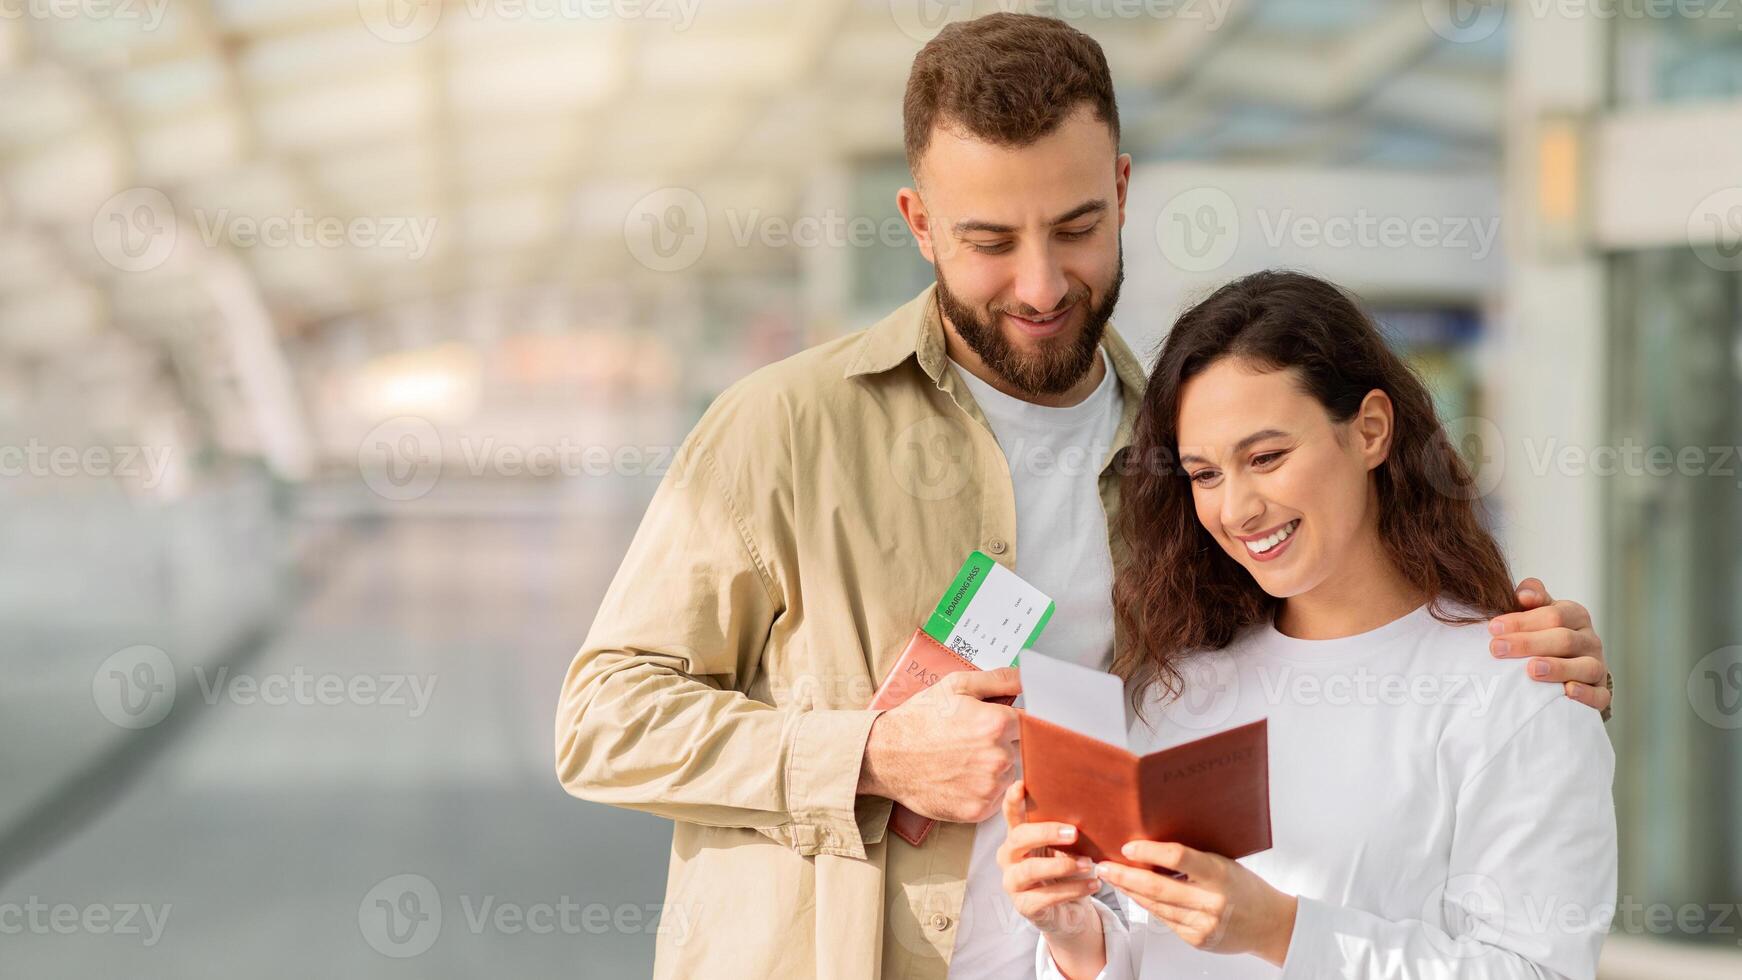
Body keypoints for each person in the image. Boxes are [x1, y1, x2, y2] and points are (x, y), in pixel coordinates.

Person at [554, 15, 1613, 980]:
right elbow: (600, 720)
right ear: (918, 223)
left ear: (1120, 189)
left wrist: (1495, 667)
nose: (1040, 284)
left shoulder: (1178, 451)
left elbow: (1330, 657)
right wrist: (872, 753)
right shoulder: (781, 430)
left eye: (1073, 226)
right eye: (988, 241)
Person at [999, 270, 1618, 979]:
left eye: (1266, 458)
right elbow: (1155, 955)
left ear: (1371, 432)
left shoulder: (1517, 689)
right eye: (1204, 475)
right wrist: (1079, 943)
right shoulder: (1177, 684)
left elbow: (1538, 971)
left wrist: (1283, 931)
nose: (1236, 510)